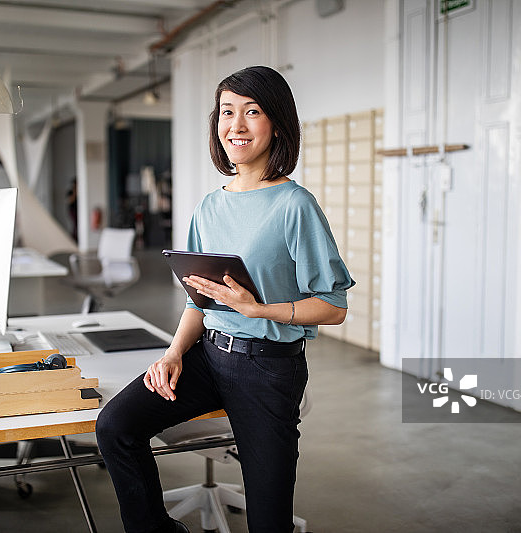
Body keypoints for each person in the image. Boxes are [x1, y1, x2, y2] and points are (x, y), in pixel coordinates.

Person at [96, 66, 355, 533]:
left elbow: (334, 305)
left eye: (251, 112)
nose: (236, 126)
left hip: (268, 369)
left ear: (276, 123)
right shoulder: (209, 207)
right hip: (209, 356)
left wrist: (259, 309)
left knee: (268, 519)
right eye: (226, 113)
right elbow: (200, 301)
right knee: (116, 425)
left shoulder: (295, 206)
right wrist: (174, 353)